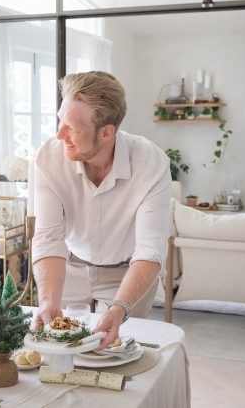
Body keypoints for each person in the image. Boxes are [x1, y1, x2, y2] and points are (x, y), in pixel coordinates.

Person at [32, 71, 171, 349]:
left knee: (117, 359)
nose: (60, 135)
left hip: (127, 274)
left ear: (106, 132)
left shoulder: (151, 165)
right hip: (68, 268)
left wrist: (120, 307)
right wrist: (48, 300)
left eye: (72, 127)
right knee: (61, 355)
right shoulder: (48, 160)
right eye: (60, 121)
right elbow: (48, 239)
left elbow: (150, 249)